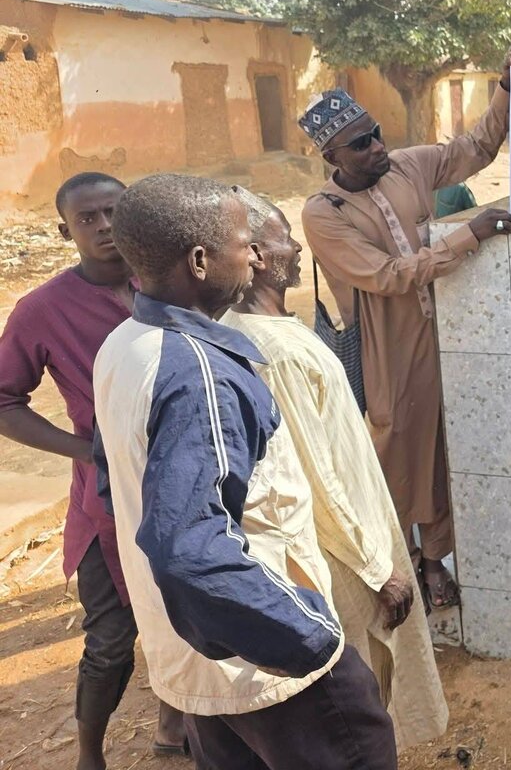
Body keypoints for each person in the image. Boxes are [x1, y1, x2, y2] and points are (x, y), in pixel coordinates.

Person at [92, 173, 395, 770]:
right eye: (243, 242)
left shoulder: (127, 342)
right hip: (269, 670)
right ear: (200, 260)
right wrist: (309, 637)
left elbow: (117, 486)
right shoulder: (198, 372)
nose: (256, 255)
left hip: (203, 660)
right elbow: (189, 549)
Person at [300, 46, 511, 610]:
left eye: (376, 133)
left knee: (437, 450)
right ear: (332, 154)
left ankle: (434, 560)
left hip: (439, 333)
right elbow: (384, 275)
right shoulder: (322, 211)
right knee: (392, 452)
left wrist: (506, 86)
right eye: (361, 143)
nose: (377, 147)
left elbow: (474, 148)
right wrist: (468, 235)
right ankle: (395, 567)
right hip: (385, 344)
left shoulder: (406, 165)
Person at [223, 186, 448, 750]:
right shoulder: (269, 349)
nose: (296, 247)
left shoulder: (268, 331)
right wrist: (379, 569)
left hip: (353, 541)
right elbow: (315, 478)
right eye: (281, 236)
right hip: (345, 560)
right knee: (361, 698)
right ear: (251, 253)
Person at [0, 172, 187, 769]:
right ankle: (89, 754)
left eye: (114, 212)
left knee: (190, 610)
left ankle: (173, 723)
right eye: (88, 219)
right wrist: (86, 451)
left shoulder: (175, 281)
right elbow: (4, 397)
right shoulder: (42, 309)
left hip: (187, 477)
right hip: (106, 497)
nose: (105, 226)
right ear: (65, 231)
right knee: (110, 641)